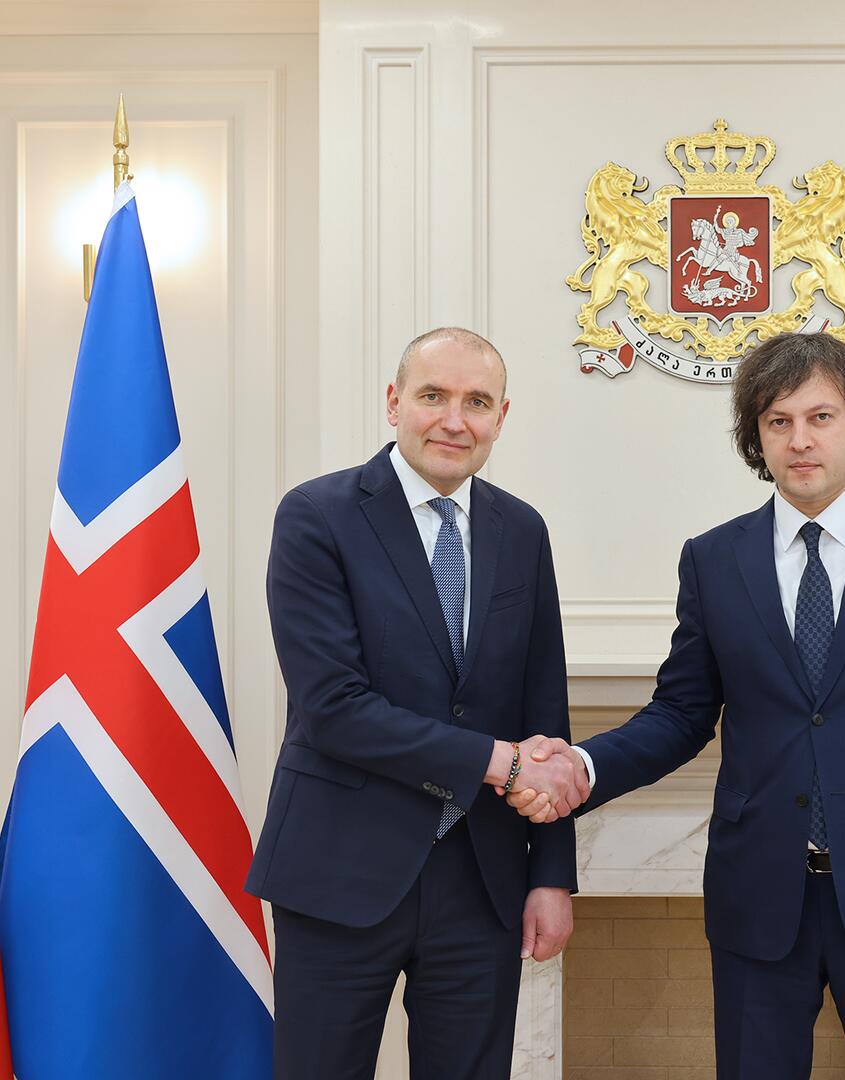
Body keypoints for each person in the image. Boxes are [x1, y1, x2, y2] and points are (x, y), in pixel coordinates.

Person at [511, 331, 845, 1078]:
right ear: (758, 437)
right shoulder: (713, 558)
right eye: (779, 421)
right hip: (758, 899)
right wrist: (581, 766)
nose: (799, 440)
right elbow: (681, 714)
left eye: (820, 417)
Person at [246, 327, 585, 1079]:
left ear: (502, 417)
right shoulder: (317, 515)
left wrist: (550, 876)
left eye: (477, 402)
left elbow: (545, 715)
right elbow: (333, 707)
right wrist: (498, 763)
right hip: (339, 869)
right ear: (394, 402)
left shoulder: (522, 531)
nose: (454, 421)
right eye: (434, 396)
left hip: (483, 878)